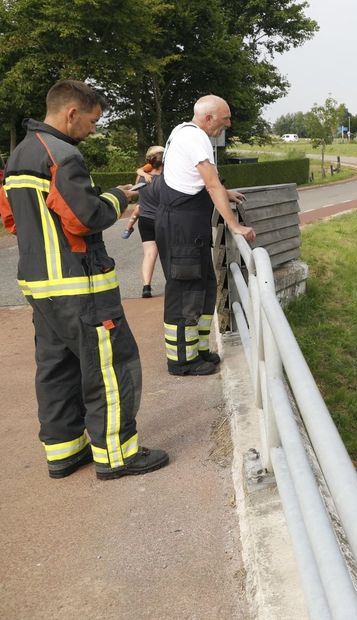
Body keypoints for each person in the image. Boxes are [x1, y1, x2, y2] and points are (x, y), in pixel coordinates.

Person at [0, 80, 169, 479]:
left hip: (40, 288)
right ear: (71, 113)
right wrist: (119, 196)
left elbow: (11, 219)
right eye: (93, 121)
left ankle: (64, 452)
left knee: (56, 369)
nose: (94, 129)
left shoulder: (20, 154)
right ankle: (117, 455)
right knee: (109, 367)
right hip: (80, 286)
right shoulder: (63, 156)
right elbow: (86, 217)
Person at [157, 95, 255, 376]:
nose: (228, 124)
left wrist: (226, 193)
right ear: (209, 118)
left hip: (186, 227)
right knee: (186, 293)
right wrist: (234, 225)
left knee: (202, 287)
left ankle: (198, 351)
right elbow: (211, 184)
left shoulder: (181, 132)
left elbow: (194, 180)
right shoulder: (197, 139)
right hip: (182, 228)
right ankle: (181, 362)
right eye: (225, 118)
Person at [124, 146, 165, 298]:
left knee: (149, 253)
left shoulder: (142, 177)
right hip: (163, 219)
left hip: (145, 219)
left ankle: (146, 286)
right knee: (168, 252)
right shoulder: (167, 178)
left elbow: (138, 192)